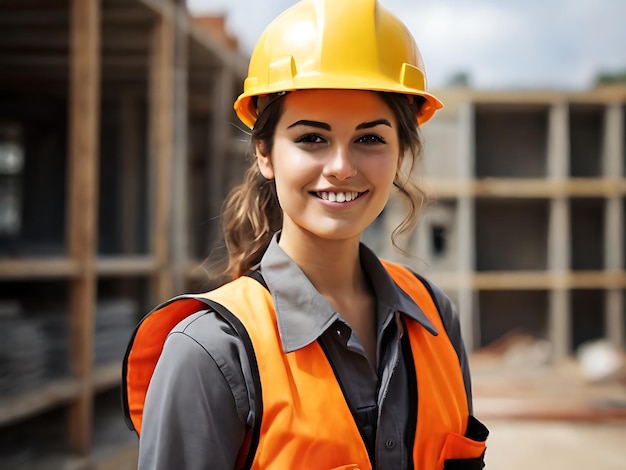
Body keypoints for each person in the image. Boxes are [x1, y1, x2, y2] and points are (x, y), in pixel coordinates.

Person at [123, 0, 489, 468]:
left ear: (400, 152)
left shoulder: (434, 319)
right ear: (265, 153)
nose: (341, 167)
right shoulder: (210, 351)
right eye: (311, 138)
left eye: (370, 138)